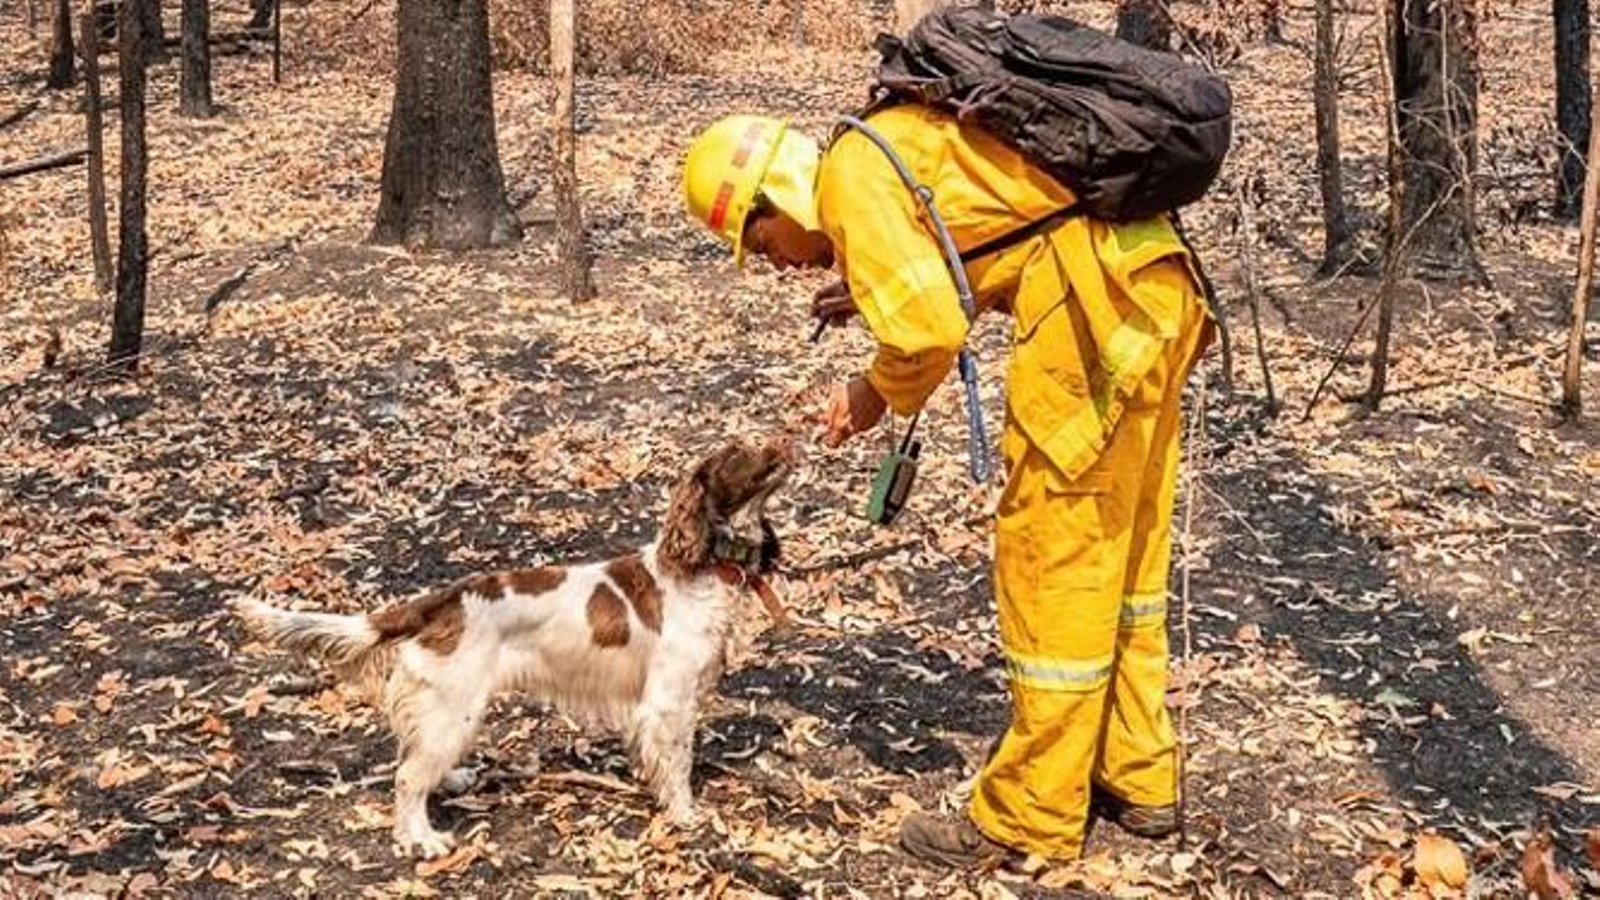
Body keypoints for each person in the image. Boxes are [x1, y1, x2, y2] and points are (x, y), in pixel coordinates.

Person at [681, 107, 1213, 867]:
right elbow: (992, 231)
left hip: (1093, 326)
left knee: (1052, 569)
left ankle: (1030, 816)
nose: (779, 265)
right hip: (1150, 294)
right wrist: (865, 290)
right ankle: (1138, 771)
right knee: (1122, 561)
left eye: (763, 244)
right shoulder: (881, 147)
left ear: (778, 197)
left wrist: (873, 391)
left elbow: (929, 330)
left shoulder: (851, 180)